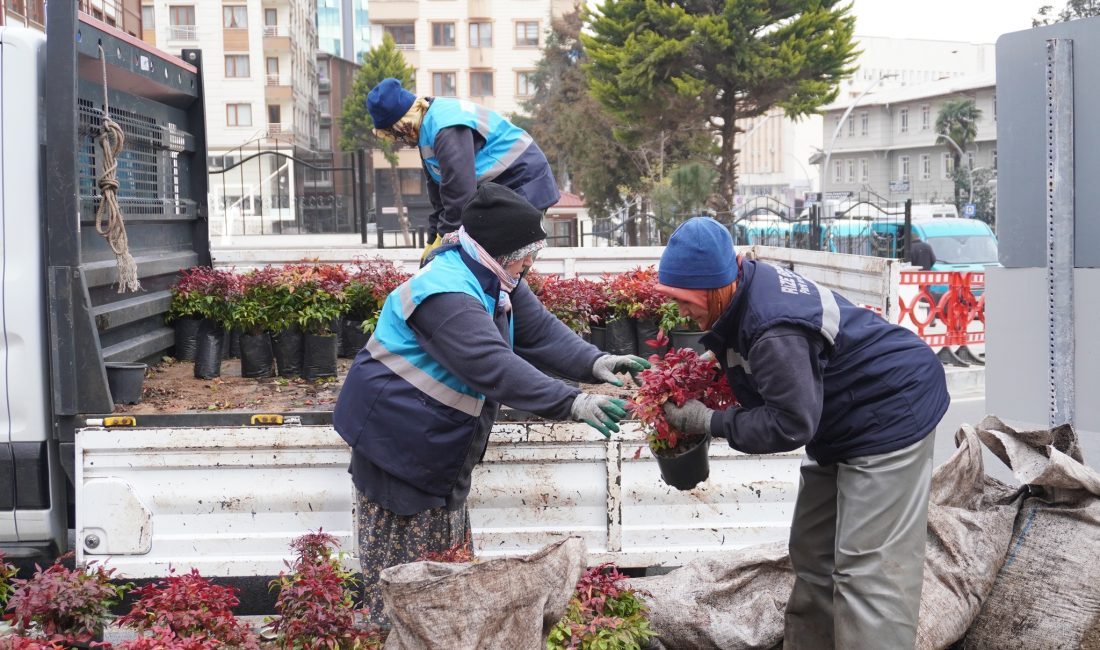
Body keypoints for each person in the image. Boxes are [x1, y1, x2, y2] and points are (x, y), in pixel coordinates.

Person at [333, 182, 648, 626]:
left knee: (446, 583)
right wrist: (572, 403)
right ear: (500, 251)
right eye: (527, 254)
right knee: (409, 590)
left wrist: (597, 362)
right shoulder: (445, 294)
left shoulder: (494, 275)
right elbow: (495, 367)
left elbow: (540, 331)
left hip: (433, 452)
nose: (531, 263)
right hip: (397, 451)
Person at [654, 217, 949, 649]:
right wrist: (708, 367)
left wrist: (709, 421)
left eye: (684, 300)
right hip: (839, 419)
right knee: (814, 553)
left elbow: (789, 424)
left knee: (867, 572)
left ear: (714, 287)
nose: (680, 311)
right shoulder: (745, 288)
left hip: (890, 409)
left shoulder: (773, 329)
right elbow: (762, 359)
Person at [366, 77, 560, 258]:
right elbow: (440, 195)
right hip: (500, 187)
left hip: (524, 182)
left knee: (504, 263)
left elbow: (459, 195)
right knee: (488, 262)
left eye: (394, 133)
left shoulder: (446, 128)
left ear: (403, 122)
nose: (397, 140)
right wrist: (433, 238)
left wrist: (445, 242)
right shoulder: (425, 129)